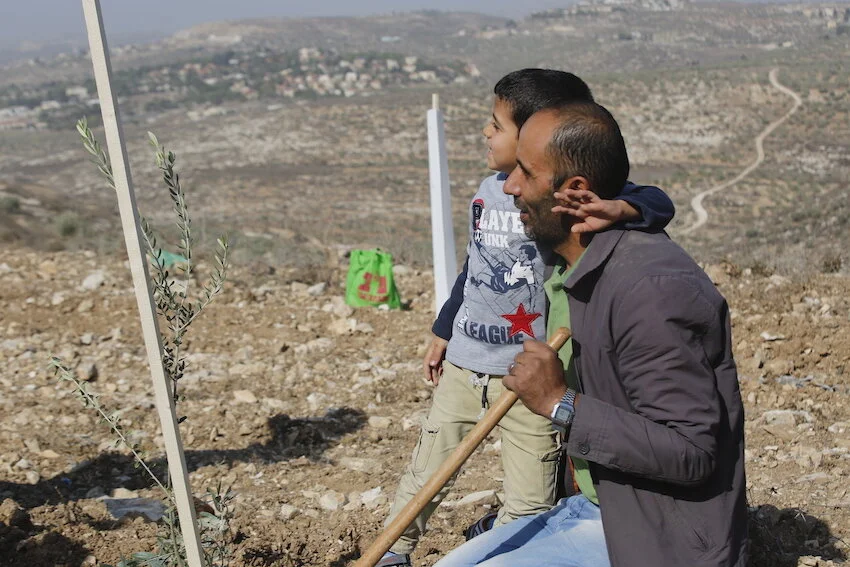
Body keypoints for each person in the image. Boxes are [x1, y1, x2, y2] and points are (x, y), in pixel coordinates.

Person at [377, 69, 676, 567]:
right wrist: (443, 330)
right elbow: (474, 266)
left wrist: (621, 208)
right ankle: (394, 551)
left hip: (527, 380)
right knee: (428, 470)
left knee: (530, 498)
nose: (486, 133)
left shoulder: (559, 199)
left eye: (497, 126)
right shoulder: (487, 188)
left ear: (535, 136)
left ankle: (507, 547)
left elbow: (656, 201)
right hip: (465, 364)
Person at [435, 101, 748, 567]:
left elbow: (692, 451)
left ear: (576, 191)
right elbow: (645, 199)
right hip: (591, 507)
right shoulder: (570, 262)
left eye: (525, 172)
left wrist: (559, 403)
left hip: (656, 536)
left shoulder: (650, 291)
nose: (511, 186)